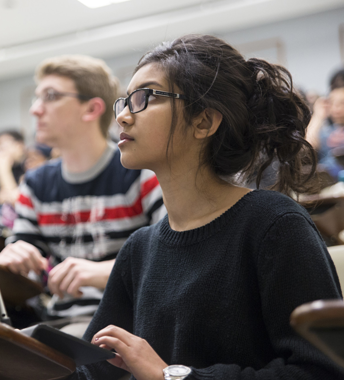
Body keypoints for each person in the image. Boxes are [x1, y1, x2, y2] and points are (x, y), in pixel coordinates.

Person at [65, 34, 344, 380]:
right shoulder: (138, 250)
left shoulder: (274, 225)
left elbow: (321, 372)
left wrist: (173, 375)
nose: (122, 116)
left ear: (204, 122)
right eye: (125, 101)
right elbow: (92, 370)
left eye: (144, 98)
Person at [0, 55, 164, 326]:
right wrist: (13, 258)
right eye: (36, 98)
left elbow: (170, 261)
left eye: (50, 96)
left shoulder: (142, 174)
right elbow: (27, 267)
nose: (35, 110)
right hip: (60, 326)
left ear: (91, 109)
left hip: (128, 326)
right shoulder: (35, 184)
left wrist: (101, 272)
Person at [306, 68, 344, 179]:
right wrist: (318, 116)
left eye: (342, 103)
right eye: (332, 102)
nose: (336, 109)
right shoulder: (326, 131)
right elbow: (307, 148)